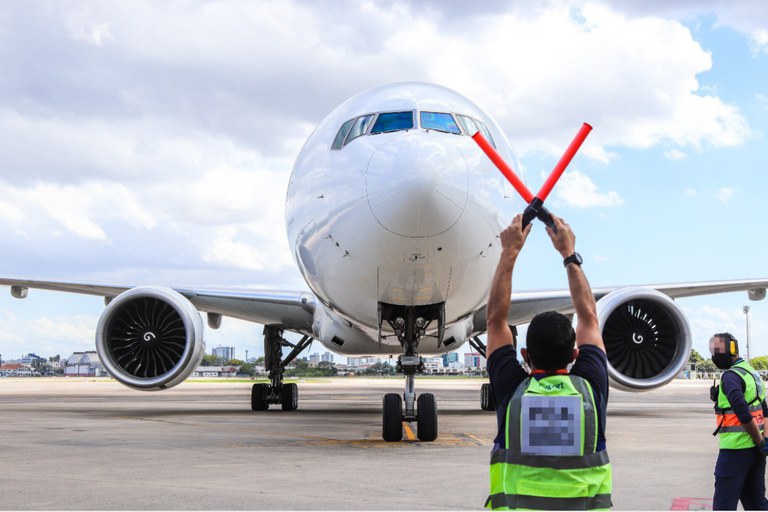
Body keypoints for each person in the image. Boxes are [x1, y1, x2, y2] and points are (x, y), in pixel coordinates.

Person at [485, 213, 611, 510]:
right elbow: (589, 318)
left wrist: (509, 252)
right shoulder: (591, 390)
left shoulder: (512, 392)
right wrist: (569, 254)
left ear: (525, 356)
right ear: (575, 355)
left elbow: (495, 320)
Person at [709, 332, 768, 510]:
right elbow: (762, 408)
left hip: (735, 450)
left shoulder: (730, 376)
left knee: (723, 504)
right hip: (756, 451)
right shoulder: (751, 373)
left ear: (732, 349)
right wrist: (764, 440)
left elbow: (742, 411)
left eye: (717, 351)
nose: (714, 356)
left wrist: (759, 440)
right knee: (755, 501)